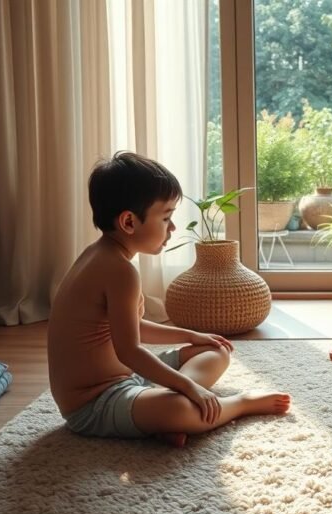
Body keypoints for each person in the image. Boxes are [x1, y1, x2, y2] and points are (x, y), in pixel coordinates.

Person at [47, 152, 290, 447]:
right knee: (181, 409)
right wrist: (189, 387)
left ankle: (154, 416)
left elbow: (133, 328)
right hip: (96, 402)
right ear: (128, 221)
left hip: (130, 376)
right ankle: (240, 404)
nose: (172, 228)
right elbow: (129, 351)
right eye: (165, 218)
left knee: (214, 351)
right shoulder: (119, 271)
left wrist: (191, 335)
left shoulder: (99, 254)